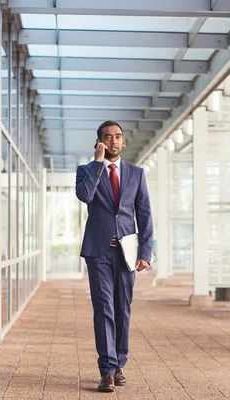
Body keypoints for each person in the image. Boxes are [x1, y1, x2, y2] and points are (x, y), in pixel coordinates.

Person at [75, 121, 153, 393]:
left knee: (123, 308)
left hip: (126, 253)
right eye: (107, 137)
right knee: (104, 309)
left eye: (118, 137)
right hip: (98, 252)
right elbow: (85, 196)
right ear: (99, 142)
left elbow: (144, 214)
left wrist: (145, 252)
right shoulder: (86, 171)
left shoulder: (136, 174)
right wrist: (97, 163)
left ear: (124, 141)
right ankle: (106, 370)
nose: (113, 141)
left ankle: (120, 363)